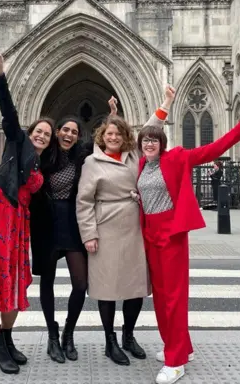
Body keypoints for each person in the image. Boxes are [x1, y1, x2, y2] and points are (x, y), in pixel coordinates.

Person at [136, 111, 240, 384]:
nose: (149, 144)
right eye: (145, 141)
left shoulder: (176, 158)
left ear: (161, 143)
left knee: (174, 299)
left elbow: (211, 150)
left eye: (154, 140)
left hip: (171, 235)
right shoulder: (142, 165)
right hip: (150, 235)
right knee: (162, 298)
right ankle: (179, 348)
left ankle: (175, 363)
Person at [76, 86, 176, 366]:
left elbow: (151, 128)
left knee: (134, 287)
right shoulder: (91, 163)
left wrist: (166, 102)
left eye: (118, 134)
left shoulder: (134, 156)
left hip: (134, 228)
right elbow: (83, 202)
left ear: (124, 137)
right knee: (107, 288)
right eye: (109, 134)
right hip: (105, 228)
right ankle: (110, 341)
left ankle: (128, 336)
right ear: (101, 137)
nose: (114, 138)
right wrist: (89, 236)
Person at [0, 53, 58, 375]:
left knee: (15, 283)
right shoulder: (17, 141)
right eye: (39, 130)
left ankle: (7, 341)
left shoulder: (41, 163)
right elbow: (9, 113)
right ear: (30, 131)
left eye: (47, 135)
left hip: (19, 226)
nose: (42, 135)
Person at [30, 98, 118, 363]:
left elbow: (106, 141)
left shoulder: (82, 156)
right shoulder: (43, 155)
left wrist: (112, 116)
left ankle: (68, 332)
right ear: (57, 133)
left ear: (78, 137)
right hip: (45, 222)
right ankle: (52, 336)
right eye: (65, 130)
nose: (69, 134)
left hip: (71, 220)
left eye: (74, 132)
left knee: (81, 283)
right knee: (46, 282)